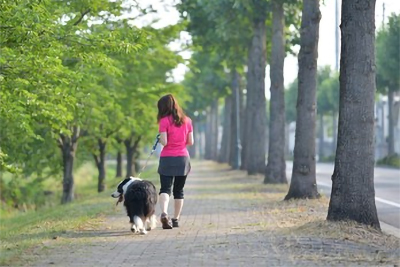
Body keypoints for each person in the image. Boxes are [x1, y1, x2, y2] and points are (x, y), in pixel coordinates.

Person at [157, 94, 194, 229]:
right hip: (182, 158)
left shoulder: (164, 121)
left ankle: (164, 213)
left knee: (165, 189)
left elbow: (164, 142)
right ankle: (176, 219)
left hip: (167, 158)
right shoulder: (187, 121)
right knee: (179, 190)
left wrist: (160, 138)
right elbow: (190, 142)